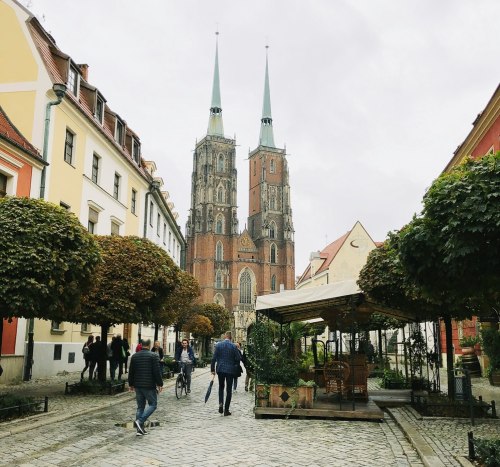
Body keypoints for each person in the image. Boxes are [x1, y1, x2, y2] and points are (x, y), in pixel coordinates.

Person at [128, 339, 163, 436]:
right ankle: (140, 421)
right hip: (149, 385)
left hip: (138, 385)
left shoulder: (135, 356)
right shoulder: (154, 356)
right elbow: (157, 371)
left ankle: (139, 430)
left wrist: (131, 384)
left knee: (140, 407)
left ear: (141, 345)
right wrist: (160, 384)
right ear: (149, 345)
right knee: (153, 404)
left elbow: (131, 371)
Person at [211, 331, 241, 416]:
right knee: (229, 390)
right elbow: (238, 358)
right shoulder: (233, 346)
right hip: (230, 370)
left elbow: (214, 358)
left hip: (220, 369)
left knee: (221, 387)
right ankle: (226, 410)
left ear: (225, 336)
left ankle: (221, 403)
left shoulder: (218, 345)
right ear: (231, 337)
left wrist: (212, 369)